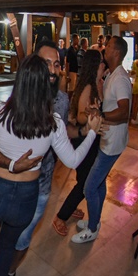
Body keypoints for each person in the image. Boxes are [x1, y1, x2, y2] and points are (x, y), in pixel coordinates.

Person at [0, 55, 101, 276]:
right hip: (26, 195)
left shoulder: (2, 110)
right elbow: (72, 160)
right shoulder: (52, 122)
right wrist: (91, 132)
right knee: (6, 251)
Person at [0, 41, 76, 276]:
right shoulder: (18, 96)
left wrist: (87, 130)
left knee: (21, 238)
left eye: (57, 64)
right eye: (46, 64)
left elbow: (63, 136)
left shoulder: (62, 100)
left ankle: (8, 274)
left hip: (40, 187)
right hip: (4, 182)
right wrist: (12, 165)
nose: (52, 70)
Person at [71, 36, 131, 244]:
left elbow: (124, 112)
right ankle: (94, 220)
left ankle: (92, 228)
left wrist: (102, 116)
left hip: (112, 144)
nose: (105, 49)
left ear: (116, 52)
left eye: (109, 46)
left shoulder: (120, 79)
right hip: (107, 139)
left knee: (89, 187)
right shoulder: (111, 75)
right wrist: (96, 110)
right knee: (99, 183)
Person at [52, 50, 104, 237]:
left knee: (84, 178)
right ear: (95, 65)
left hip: (91, 138)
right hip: (83, 138)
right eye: (101, 62)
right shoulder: (88, 87)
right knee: (85, 183)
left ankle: (71, 206)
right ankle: (60, 216)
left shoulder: (97, 84)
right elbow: (80, 117)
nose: (104, 65)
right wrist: (90, 114)